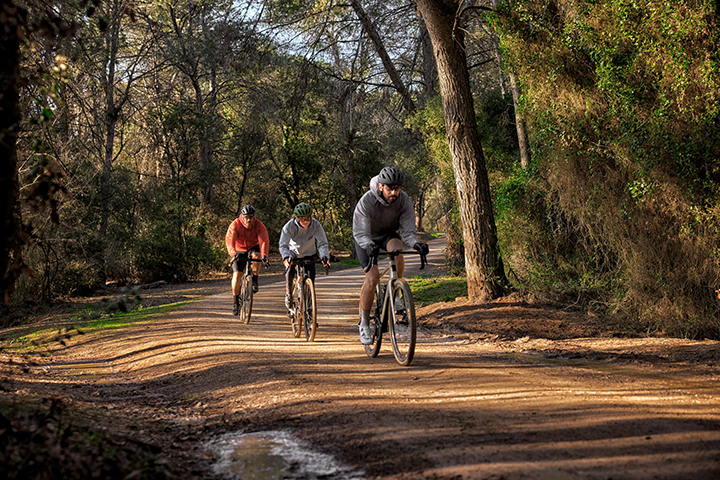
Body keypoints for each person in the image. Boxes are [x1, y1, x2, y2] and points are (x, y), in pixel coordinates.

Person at [352, 166, 429, 344]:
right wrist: (368, 245)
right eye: (389, 189)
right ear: (380, 186)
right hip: (365, 237)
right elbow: (361, 232)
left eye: (397, 188)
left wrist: (417, 244)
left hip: (387, 234)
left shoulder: (404, 200)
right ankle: (364, 323)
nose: (394, 192)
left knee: (397, 246)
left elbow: (408, 232)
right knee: (372, 278)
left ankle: (395, 291)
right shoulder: (367, 201)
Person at [279, 202, 331, 313]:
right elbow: (283, 244)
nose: (306, 222)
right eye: (303, 219)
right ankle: (289, 294)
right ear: (297, 218)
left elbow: (322, 242)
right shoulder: (289, 227)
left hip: (310, 253)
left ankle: (309, 308)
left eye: (308, 218)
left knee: (310, 279)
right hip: (293, 253)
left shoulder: (315, 225)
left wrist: (324, 256)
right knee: (290, 269)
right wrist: (285, 257)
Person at [225, 205, 270, 315]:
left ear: (254, 217)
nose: (249, 220)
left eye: (251, 217)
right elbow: (230, 241)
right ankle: (236, 301)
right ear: (242, 216)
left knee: (257, 256)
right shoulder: (235, 225)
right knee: (237, 275)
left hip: (253, 247)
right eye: (246, 217)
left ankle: (254, 278)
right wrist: (233, 254)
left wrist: (264, 255)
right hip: (239, 249)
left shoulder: (259, 225)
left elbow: (264, 241)